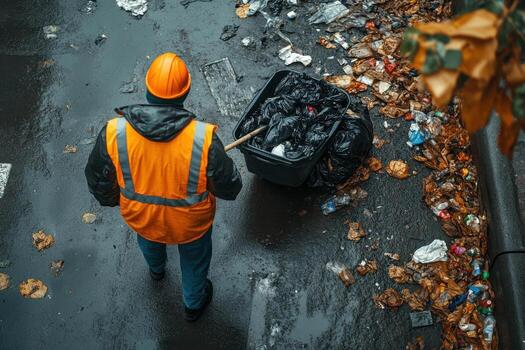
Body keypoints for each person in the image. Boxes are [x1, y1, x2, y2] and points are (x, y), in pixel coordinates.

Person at [84, 52, 242, 322]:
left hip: (142, 217)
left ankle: (156, 270)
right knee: (194, 261)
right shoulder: (203, 139)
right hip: (191, 225)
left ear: (147, 90)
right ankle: (193, 304)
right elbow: (230, 188)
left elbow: (98, 180)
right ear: (186, 92)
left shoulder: (114, 132)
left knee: (149, 240)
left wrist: (117, 200)